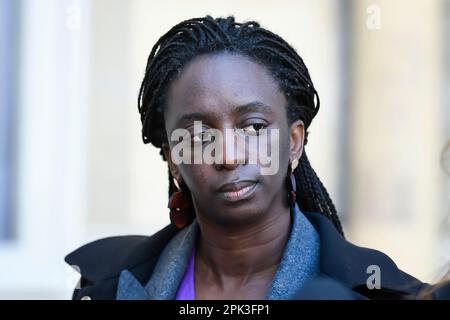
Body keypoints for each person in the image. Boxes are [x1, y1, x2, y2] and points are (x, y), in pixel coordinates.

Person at [65, 15, 427, 300]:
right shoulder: (106, 287)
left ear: (294, 142)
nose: (228, 155)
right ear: (173, 158)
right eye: (199, 135)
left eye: (253, 128)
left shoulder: (384, 291)